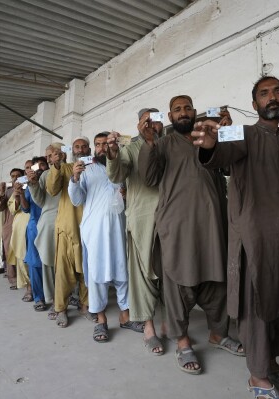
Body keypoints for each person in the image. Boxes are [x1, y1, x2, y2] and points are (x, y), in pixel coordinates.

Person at [192, 76, 279, 396]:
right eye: (264, 94)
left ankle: (273, 365)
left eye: (277, 91)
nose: (272, 97)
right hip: (254, 238)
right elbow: (221, 153)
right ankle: (257, 374)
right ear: (254, 105)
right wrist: (211, 143)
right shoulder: (244, 133)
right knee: (258, 307)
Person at [139, 95, 243, 374]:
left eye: (187, 108)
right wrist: (148, 143)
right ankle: (182, 340)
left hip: (212, 224)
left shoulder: (207, 136)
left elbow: (230, 166)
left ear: (195, 112)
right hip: (178, 227)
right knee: (177, 285)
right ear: (170, 117)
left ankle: (218, 334)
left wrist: (226, 134)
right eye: (177, 109)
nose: (183, 112)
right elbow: (148, 178)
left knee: (217, 280)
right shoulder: (162, 145)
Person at [69, 132, 142, 342]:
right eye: (98, 145)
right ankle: (101, 320)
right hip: (95, 231)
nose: (101, 148)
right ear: (93, 148)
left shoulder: (122, 167)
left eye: (105, 144)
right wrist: (74, 178)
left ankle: (125, 316)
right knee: (98, 275)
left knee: (122, 271)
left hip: (119, 227)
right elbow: (76, 200)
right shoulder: (85, 170)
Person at [106, 108, 165, 354]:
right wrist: (112, 153)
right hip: (142, 218)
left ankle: (172, 325)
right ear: (139, 123)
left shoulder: (169, 144)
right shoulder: (129, 148)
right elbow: (117, 173)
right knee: (143, 275)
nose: (153, 124)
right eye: (147, 120)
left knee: (170, 273)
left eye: (157, 119)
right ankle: (149, 326)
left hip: (172, 215)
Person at [45, 137, 96, 328]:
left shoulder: (94, 167)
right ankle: (61, 309)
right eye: (77, 147)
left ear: (89, 149)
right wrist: (56, 166)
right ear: (72, 150)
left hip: (89, 227)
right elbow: (52, 189)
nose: (81, 150)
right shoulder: (65, 168)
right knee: (64, 272)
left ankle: (86, 305)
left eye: (84, 147)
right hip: (67, 226)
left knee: (87, 269)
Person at [28, 148, 60, 314]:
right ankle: (53, 300)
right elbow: (39, 201)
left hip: (69, 222)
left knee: (68, 265)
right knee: (46, 263)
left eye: (55, 154)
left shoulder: (70, 170)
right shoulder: (44, 177)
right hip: (46, 224)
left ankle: (69, 298)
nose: (51, 158)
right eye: (49, 156)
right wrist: (33, 184)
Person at [24, 161, 46, 311]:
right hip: (34, 226)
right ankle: (39, 297)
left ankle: (56, 296)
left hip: (51, 225)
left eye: (41, 168)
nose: (38, 171)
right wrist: (19, 194)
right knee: (35, 264)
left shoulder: (51, 183)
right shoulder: (29, 186)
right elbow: (25, 208)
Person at [8, 162, 32, 293]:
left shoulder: (30, 187)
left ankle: (32, 286)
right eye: (13, 176)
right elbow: (12, 210)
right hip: (18, 229)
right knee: (21, 257)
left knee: (29, 257)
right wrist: (17, 196)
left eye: (18, 175)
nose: (15, 178)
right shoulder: (12, 193)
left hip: (30, 225)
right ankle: (28, 285)